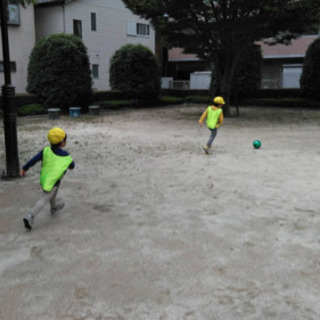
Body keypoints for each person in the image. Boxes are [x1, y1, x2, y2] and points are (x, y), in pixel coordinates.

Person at [21, 127, 75, 230]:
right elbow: (72, 166)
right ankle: (30, 216)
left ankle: (53, 208)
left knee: (54, 192)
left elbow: (34, 160)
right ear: (62, 142)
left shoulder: (45, 151)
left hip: (44, 178)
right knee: (44, 198)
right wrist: (68, 164)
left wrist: (24, 168)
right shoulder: (66, 156)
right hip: (52, 181)